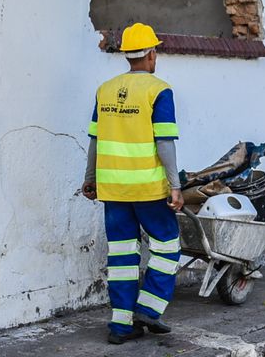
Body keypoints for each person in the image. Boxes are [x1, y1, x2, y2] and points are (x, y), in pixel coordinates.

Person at [79, 22, 183, 345]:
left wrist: (90, 178)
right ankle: (149, 308)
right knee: (167, 245)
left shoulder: (105, 90)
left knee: (122, 256)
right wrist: (175, 185)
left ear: (127, 56)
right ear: (152, 54)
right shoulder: (159, 90)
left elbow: (95, 140)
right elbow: (165, 143)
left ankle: (121, 326)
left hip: (113, 190)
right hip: (148, 189)